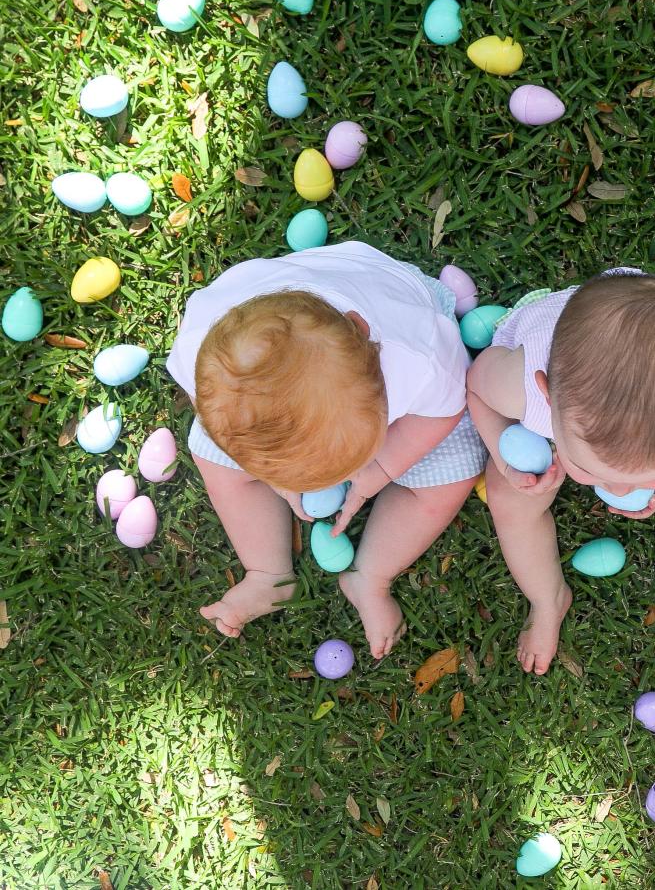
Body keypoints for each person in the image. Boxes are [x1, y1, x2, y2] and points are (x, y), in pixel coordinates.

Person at [166, 242, 486, 659]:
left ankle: (370, 576)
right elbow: (206, 407)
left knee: (455, 470)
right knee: (214, 455)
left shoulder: (421, 359)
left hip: (388, 291)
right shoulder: (203, 354)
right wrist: (274, 477)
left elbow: (442, 414)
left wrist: (381, 468)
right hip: (279, 321)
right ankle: (267, 574)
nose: (333, 484)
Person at [467, 270, 655, 675]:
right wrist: (504, 456)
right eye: (587, 469)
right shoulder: (518, 385)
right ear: (546, 395)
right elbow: (477, 389)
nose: (619, 490)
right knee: (509, 500)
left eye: (647, 474)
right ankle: (547, 599)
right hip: (568, 393)